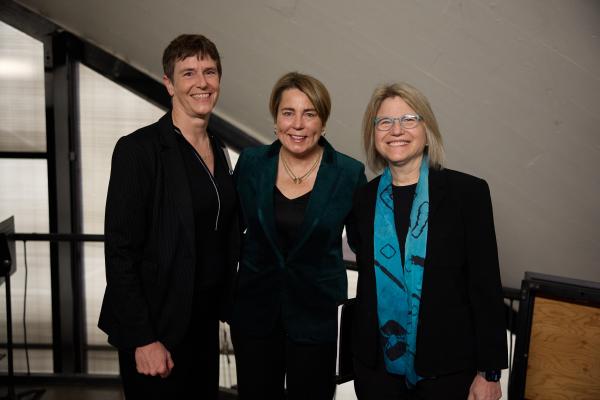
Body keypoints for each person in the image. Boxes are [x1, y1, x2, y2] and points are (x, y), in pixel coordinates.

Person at [98, 34, 239, 399]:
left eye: (210, 71)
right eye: (188, 73)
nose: (202, 82)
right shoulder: (138, 151)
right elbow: (120, 252)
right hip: (157, 329)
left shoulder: (219, 150)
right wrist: (143, 339)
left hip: (203, 326)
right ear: (169, 84)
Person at [348, 82, 507, 400]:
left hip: (447, 371)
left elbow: (485, 285)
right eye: (385, 121)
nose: (396, 130)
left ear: (426, 128)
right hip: (377, 372)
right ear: (374, 132)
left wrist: (488, 373)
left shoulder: (468, 194)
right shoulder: (363, 199)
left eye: (408, 119)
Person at [231, 72, 366, 400]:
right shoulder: (250, 164)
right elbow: (229, 236)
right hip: (255, 317)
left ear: (323, 122)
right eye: (288, 113)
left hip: (317, 320)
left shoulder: (348, 173)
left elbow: (369, 250)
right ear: (275, 119)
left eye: (310, 113)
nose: (298, 124)